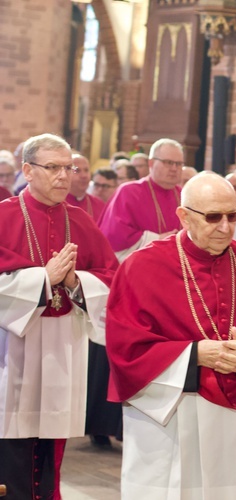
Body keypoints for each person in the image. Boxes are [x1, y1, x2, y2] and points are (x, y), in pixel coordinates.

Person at [106, 172, 236, 498]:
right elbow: (125, 348)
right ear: (184, 216)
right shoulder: (142, 265)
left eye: (232, 216)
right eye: (213, 217)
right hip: (170, 412)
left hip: (234, 416)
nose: (225, 227)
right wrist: (195, 354)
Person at [0, 133, 119, 499]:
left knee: (52, 440)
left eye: (68, 167)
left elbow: (112, 277)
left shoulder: (80, 220)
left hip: (63, 344)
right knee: (11, 441)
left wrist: (75, 281)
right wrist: (43, 279)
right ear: (27, 170)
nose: (64, 176)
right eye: (52, 167)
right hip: (13, 346)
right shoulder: (4, 216)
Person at [99, 138, 184, 261]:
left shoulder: (184, 195)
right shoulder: (129, 192)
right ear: (151, 163)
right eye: (168, 162)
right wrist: (158, 239)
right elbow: (115, 236)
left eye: (179, 164)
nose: (174, 168)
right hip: (140, 268)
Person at [66, 153, 105, 223]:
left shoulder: (99, 205)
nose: (84, 176)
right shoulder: (55, 203)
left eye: (86, 170)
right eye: (77, 171)